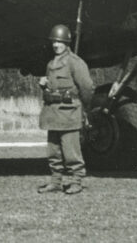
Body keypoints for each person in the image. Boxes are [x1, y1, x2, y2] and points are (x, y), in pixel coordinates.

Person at [36, 24, 94, 195]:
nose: (56, 45)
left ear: (66, 43)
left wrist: (84, 106)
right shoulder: (51, 64)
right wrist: (43, 85)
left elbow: (87, 87)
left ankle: (76, 181)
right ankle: (56, 182)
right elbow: (52, 88)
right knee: (53, 152)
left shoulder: (75, 62)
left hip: (69, 113)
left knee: (71, 152)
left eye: (59, 42)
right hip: (53, 114)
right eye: (54, 42)